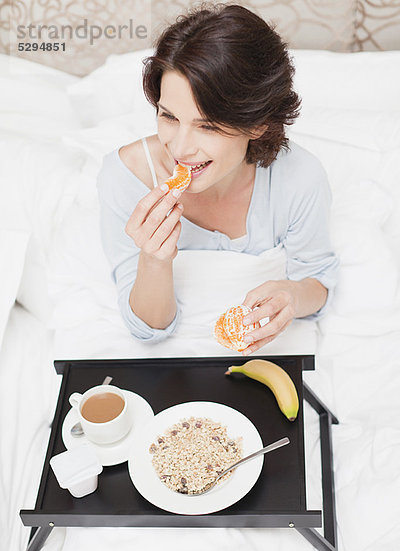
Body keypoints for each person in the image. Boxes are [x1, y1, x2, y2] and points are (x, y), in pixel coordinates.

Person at [97, 3, 339, 355]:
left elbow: (317, 279)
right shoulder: (125, 177)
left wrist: (292, 295)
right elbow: (148, 329)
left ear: (257, 123)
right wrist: (154, 259)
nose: (180, 148)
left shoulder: (299, 178)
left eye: (207, 126)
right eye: (168, 116)